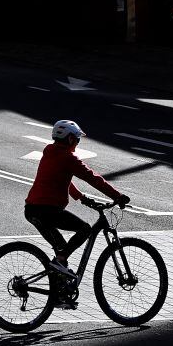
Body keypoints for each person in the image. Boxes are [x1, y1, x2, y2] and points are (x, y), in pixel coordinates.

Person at [25, 120, 130, 280]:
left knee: (61, 249)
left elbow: (60, 178)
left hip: (34, 210)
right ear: (70, 140)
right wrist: (117, 196)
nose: (78, 143)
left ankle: (59, 290)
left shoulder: (50, 150)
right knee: (85, 230)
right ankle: (59, 265)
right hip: (46, 211)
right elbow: (93, 178)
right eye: (77, 139)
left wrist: (81, 198)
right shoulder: (69, 158)